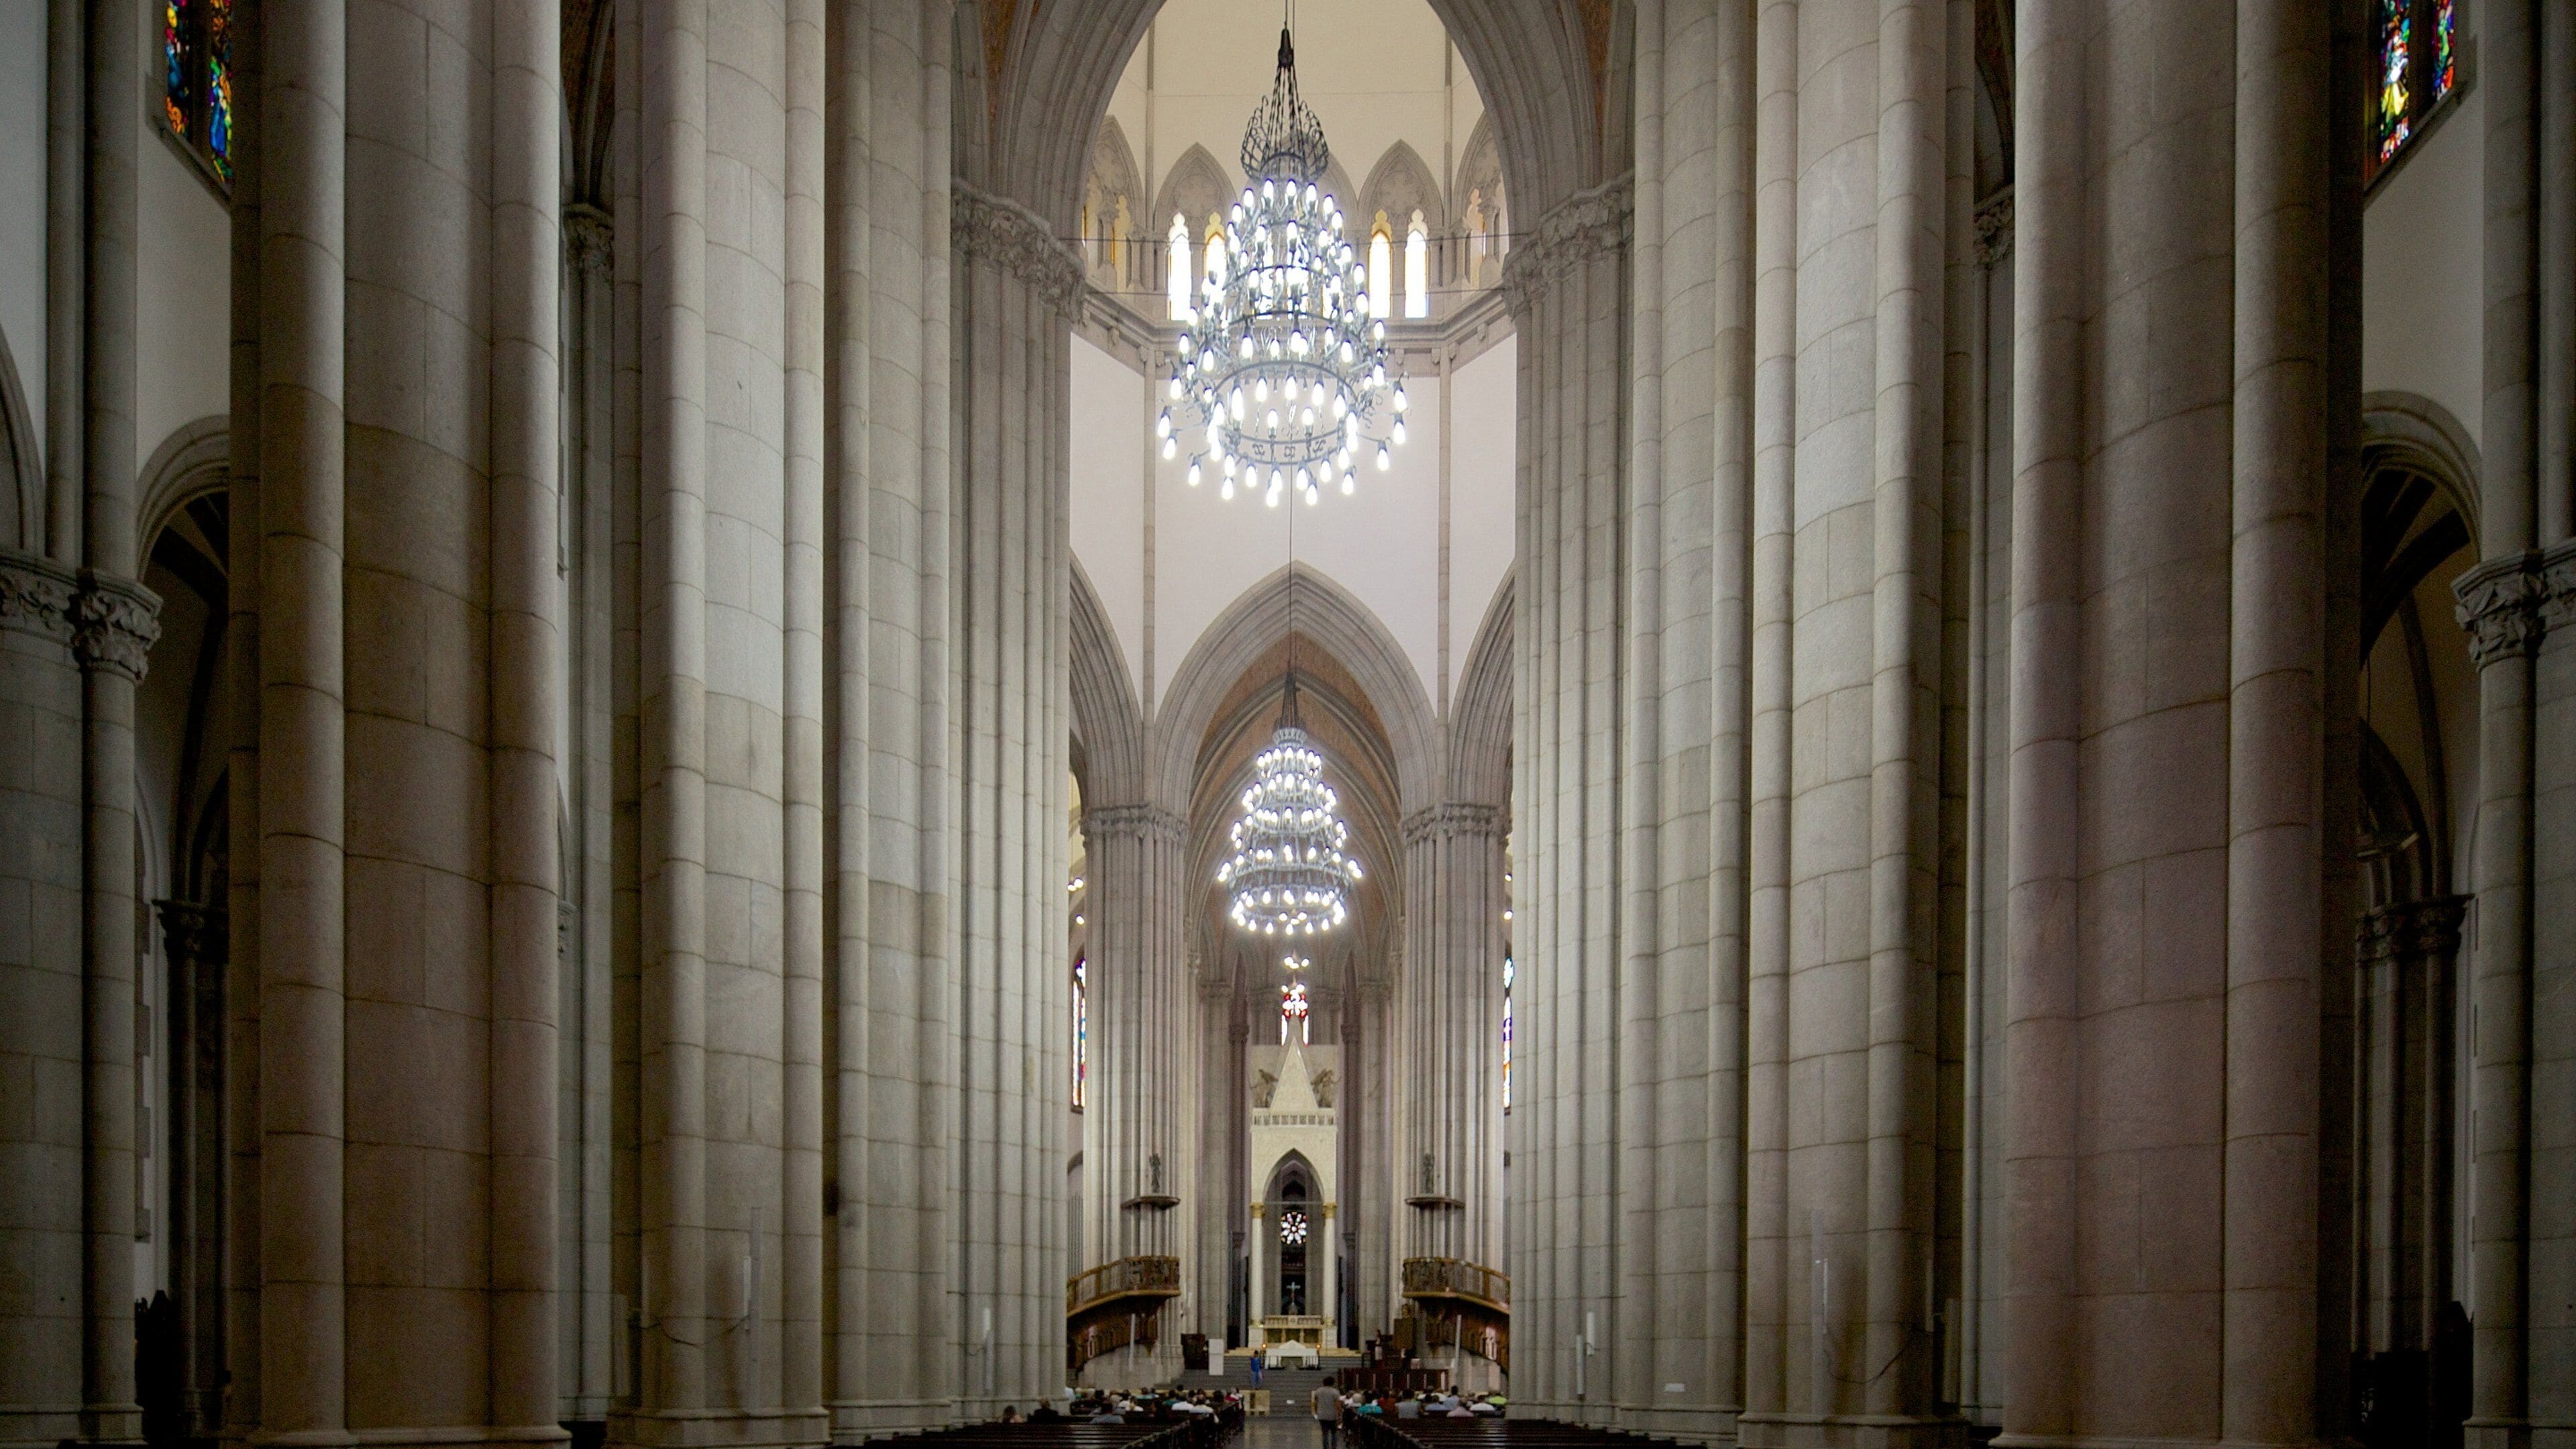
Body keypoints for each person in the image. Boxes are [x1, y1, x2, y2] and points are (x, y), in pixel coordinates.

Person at [1311, 1375, 1344, 1449]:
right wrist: (1340, 1414)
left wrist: (1316, 1412)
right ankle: (1334, 1447)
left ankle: (1326, 1447)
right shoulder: (1335, 1392)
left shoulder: (1318, 1391)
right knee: (1334, 1433)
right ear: (1333, 1383)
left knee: (1325, 1434)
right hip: (1333, 1415)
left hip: (1322, 1415)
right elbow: (1337, 1405)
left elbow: (1315, 1403)